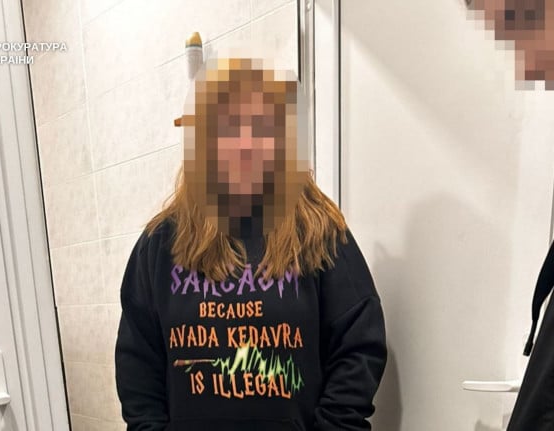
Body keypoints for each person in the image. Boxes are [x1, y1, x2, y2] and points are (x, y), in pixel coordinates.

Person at [114, 57, 387, 431]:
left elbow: (358, 346)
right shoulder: (160, 244)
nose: (243, 144)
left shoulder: (318, 231)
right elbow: (138, 365)